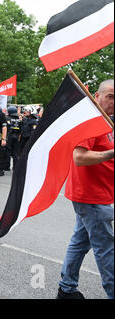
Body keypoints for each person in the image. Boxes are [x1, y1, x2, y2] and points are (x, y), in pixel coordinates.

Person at [57, 79, 114, 300]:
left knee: (80, 242)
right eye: (110, 96)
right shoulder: (91, 122)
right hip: (91, 197)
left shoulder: (107, 121)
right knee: (106, 250)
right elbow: (79, 157)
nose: (114, 101)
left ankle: (66, 288)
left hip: (99, 194)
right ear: (97, 96)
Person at [6, 106, 22, 170]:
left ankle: (7, 167)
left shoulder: (7, 118)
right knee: (15, 153)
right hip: (17, 137)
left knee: (8, 152)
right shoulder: (19, 119)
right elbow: (21, 128)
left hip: (9, 136)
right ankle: (15, 167)